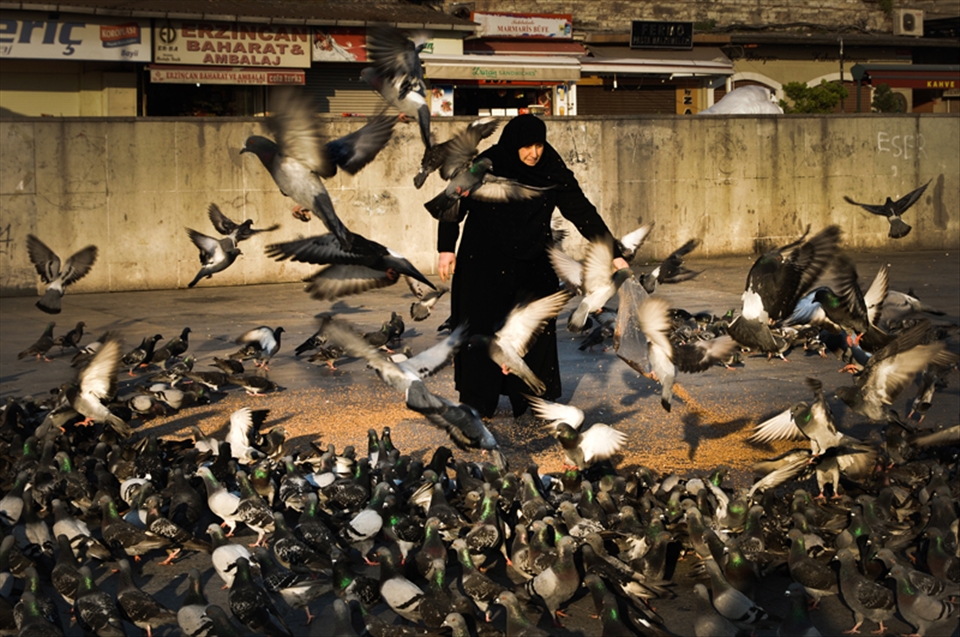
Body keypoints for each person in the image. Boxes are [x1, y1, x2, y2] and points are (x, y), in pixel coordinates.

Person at [436, 114, 628, 420]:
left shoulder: (551, 169)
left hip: (532, 261)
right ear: (513, 144)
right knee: (481, 332)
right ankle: (478, 401)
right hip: (484, 262)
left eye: (538, 145)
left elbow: (581, 211)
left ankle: (531, 398)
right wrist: (446, 247)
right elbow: (452, 202)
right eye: (526, 146)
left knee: (532, 333)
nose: (533, 153)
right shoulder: (487, 164)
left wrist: (612, 252)